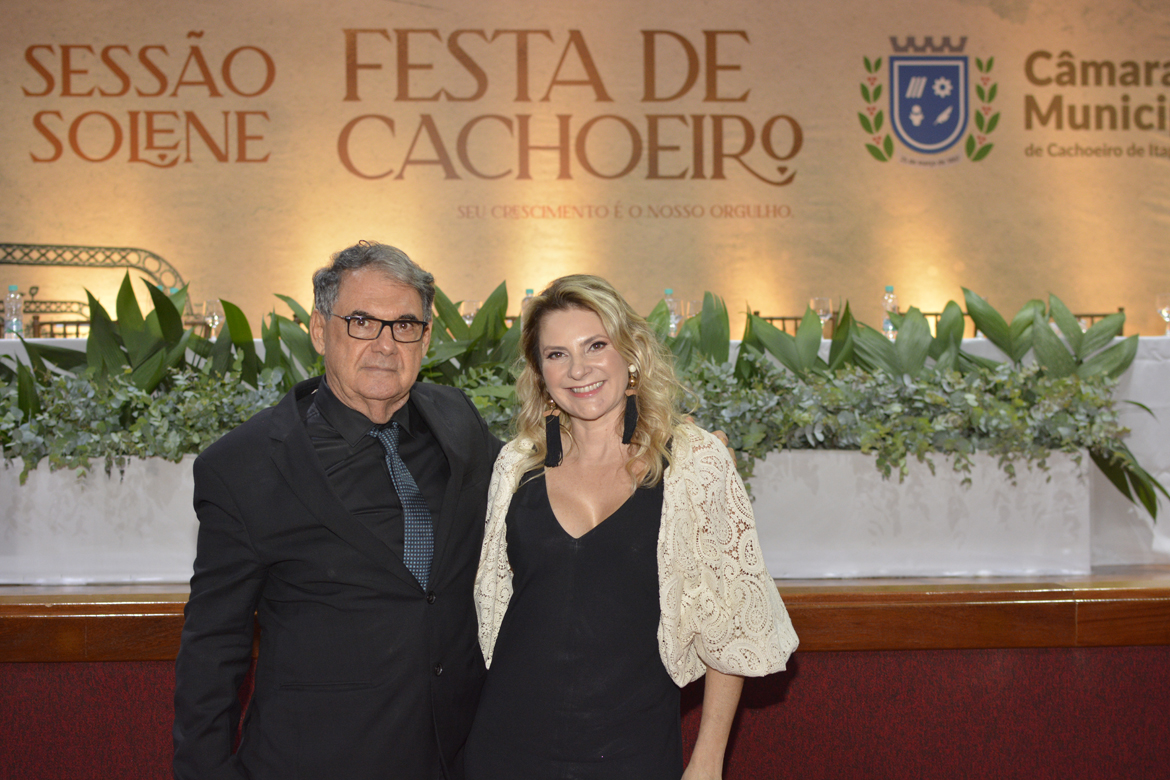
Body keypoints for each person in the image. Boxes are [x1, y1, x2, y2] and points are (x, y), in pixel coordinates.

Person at [173, 241, 501, 780]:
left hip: (458, 758)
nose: (385, 345)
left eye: (404, 325)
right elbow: (213, 646)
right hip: (314, 759)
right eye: (362, 322)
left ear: (426, 339)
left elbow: (537, 500)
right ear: (320, 330)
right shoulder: (243, 466)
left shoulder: (459, 423)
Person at [466, 275, 798, 779]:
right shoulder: (516, 467)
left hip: (633, 750)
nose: (578, 369)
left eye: (595, 346)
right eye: (556, 354)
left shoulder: (693, 463)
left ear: (631, 354)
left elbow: (730, 625)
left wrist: (708, 760)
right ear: (539, 373)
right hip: (506, 748)